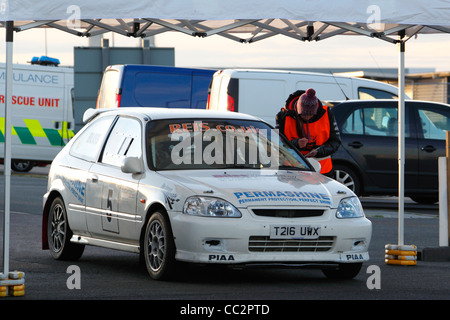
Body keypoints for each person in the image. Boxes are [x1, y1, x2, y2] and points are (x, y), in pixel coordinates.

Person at [282, 88, 341, 176]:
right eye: (304, 114)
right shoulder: (283, 116)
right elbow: (276, 144)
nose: (307, 118)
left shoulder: (327, 114)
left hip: (322, 171)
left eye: (311, 115)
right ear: (297, 110)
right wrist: (296, 143)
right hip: (293, 170)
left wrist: (319, 151)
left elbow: (336, 142)